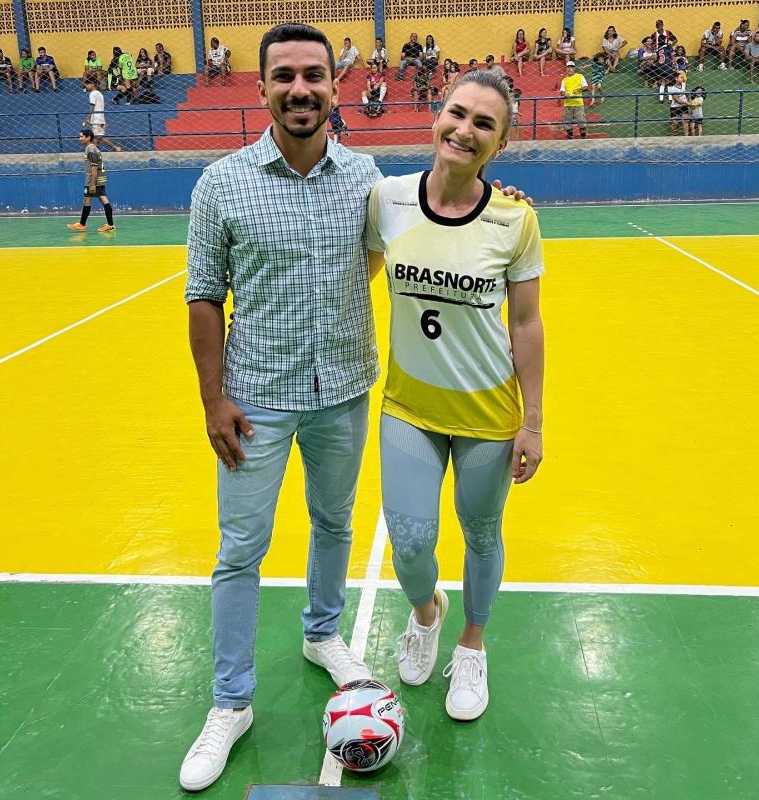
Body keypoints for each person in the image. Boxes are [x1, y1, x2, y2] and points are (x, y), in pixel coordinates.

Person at [179, 23, 381, 792]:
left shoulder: (365, 176)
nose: (301, 89)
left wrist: (503, 197)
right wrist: (213, 400)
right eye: (285, 76)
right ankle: (231, 703)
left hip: (343, 390)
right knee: (240, 550)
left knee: (335, 523)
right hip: (254, 401)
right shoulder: (221, 184)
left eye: (314, 75)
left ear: (334, 85)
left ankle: (322, 634)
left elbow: (412, 228)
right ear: (262, 88)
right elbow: (204, 296)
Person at [366, 68, 544, 722]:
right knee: (410, 542)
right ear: (436, 115)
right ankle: (426, 613)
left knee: (481, 532)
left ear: (501, 142)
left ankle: (472, 644)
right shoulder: (386, 199)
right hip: (409, 407)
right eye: (457, 113)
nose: (465, 130)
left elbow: (526, 324)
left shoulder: (515, 220)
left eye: (484, 124)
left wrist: (533, 421)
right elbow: (354, 273)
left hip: (488, 415)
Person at [66, 129, 116, 233]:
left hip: (93, 180)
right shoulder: (93, 148)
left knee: (87, 200)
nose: (80, 139)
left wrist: (92, 184)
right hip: (99, 179)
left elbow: (94, 167)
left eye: (82, 136)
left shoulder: (90, 149)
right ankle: (110, 225)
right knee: (103, 200)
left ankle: (82, 224)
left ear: (88, 137)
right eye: (79, 136)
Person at [82, 77, 123, 151]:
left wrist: (87, 118)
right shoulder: (99, 93)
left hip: (96, 118)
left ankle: (116, 147)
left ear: (92, 84)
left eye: (87, 84)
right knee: (96, 135)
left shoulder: (93, 94)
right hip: (100, 116)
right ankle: (95, 150)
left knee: (99, 136)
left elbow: (92, 106)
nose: (86, 87)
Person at [560, 60, 587, 139]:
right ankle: (570, 137)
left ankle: (583, 138)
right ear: (566, 68)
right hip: (568, 104)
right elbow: (561, 91)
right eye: (568, 67)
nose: (570, 69)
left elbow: (585, 87)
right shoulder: (564, 80)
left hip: (578, 103)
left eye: (571, 67)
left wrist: (578, 90)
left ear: (574, 68)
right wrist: (565, 94)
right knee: (567, 122)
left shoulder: (580, 76)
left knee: (581, 121)